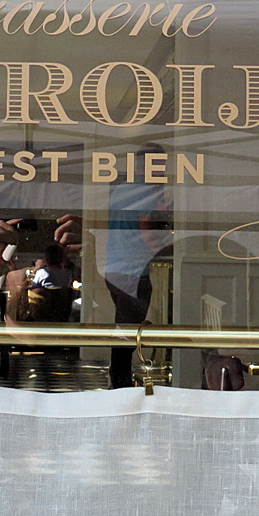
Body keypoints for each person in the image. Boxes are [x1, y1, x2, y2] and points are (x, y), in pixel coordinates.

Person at [104, 144, 174, 388]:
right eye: (160, 165)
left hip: (113, 268)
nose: (162, 171)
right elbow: (149, 238)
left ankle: (118, 380)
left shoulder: (121, 189)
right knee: (127, 335)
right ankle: (119, 385)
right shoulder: (149, 192)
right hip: (133, 272)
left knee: (123, 331)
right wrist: (179, 247)